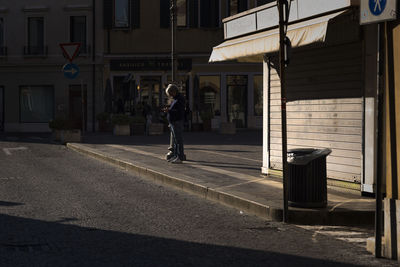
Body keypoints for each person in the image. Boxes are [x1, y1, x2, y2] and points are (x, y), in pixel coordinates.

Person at [164, 84, 186, 164]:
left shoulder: (179, 99)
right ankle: (176, 155)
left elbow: (179, 112)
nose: (170, 96)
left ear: (173, 91)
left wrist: (169, 111)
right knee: (176, 141)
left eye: (170, 94)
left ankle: (179, 156)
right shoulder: (176, 99)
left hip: (177, 121)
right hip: (174, 122)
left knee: (178, 140)